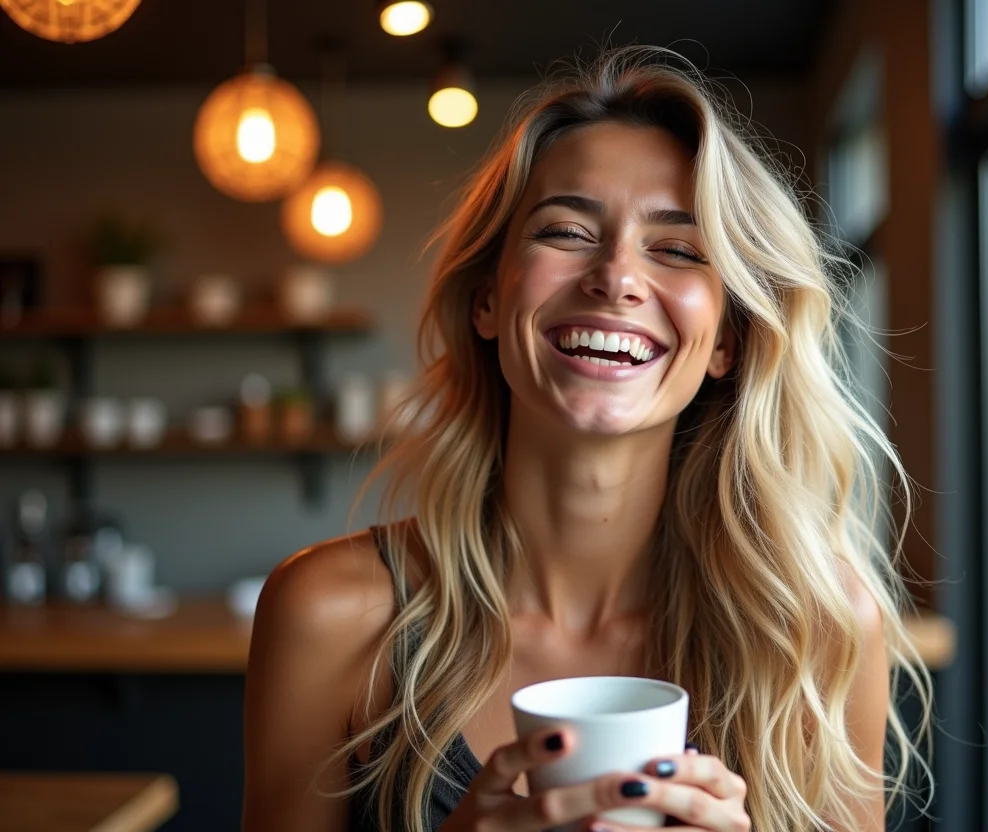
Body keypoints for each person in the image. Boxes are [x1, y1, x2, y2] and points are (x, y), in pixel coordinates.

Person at [242, 46, 931, 832]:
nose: (616, 277)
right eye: (566, 232)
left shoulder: (816, 628)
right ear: (487, 301)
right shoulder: (331, 614)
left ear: (726, 341)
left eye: (678, 250)